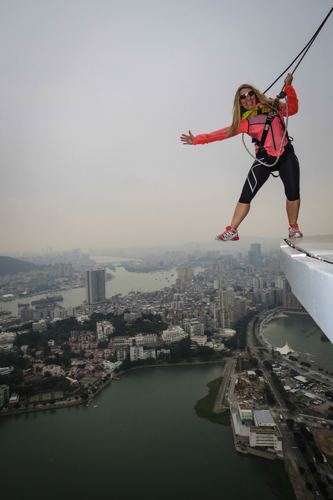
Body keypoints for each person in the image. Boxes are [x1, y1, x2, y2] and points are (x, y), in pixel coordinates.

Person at [180, 73, 302, 241]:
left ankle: (293, 227)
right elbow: (222, 133)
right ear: (240, 103)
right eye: (243, 97)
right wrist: (197, 140)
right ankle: (233, 230)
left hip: (285, 154)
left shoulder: (273, 106)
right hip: (264, 158)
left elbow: (293, 109)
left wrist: (288, 87)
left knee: (293, 192)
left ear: (255, 94)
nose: (247, 98)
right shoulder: (245, 121)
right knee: (246, 194)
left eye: (249, 93)